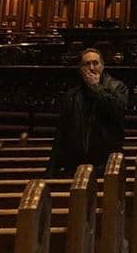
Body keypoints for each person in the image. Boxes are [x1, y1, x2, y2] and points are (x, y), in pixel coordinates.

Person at [46, 48, 127, 177]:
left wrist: (96, 87)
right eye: (86, 64)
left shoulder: (117, 87)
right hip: (76, 164)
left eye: (95, 63)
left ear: (102, 66)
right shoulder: (72, 96)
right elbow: (61, 134)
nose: (91, 68)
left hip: (106, 164)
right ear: (80, 69)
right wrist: (51, 171)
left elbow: (117, 111)